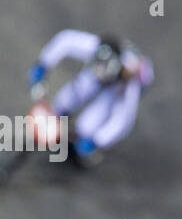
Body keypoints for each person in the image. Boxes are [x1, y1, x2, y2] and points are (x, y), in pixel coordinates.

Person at [28, 30, 154, 168]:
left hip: (114, 89)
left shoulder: (129, 85)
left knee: (87, 126)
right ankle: (58, 117)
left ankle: (78, 146)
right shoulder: (97, 49)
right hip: (96, 75)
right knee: (69, 97)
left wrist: (97, 140)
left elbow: (122, 121)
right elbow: (66, 41)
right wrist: (43, 64)